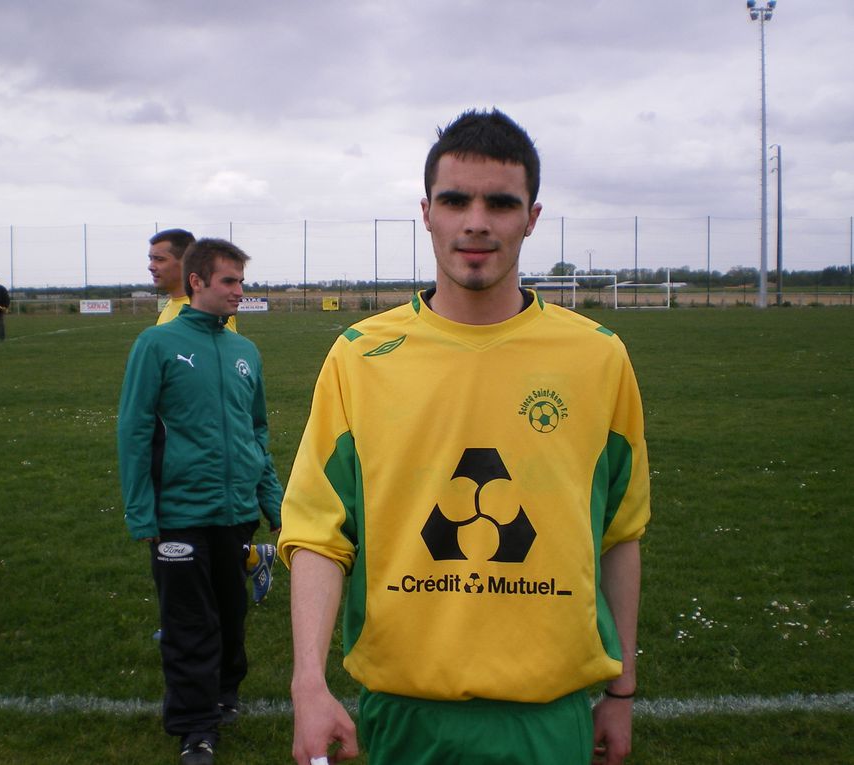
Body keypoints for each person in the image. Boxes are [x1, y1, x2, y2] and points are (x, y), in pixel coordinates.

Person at [279, 109, 651, 765]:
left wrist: (620, 690)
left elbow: (620, 531)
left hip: (550, 719)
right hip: (405, 714)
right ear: (427, 212)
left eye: (501, 203)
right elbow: (316, 532)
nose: (476, 221)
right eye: (455, 199)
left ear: (532, 217)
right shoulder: (360, 355)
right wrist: (308, 679)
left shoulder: (598, 357)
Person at [118, 238, 284, 765]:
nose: (241, 291)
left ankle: (224, 692)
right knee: (190, 623)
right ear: (197, 282)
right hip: (179, 515)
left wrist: (275, 505)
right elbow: (135, 429)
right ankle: (195, 728)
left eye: (242, 281)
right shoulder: (156, 344)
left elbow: (256, 433)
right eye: (230, 281)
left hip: (235, 514)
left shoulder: (245, 352)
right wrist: (142, 509)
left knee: (231, 615)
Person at [148, 228, 270, 605]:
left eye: (159, 259)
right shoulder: (169, 316)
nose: (151, 266)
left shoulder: (215, 315)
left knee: (210, 562)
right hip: (180, 466)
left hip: (208, 473)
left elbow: (226, 384)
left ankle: (243, 561)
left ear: (187, 268)